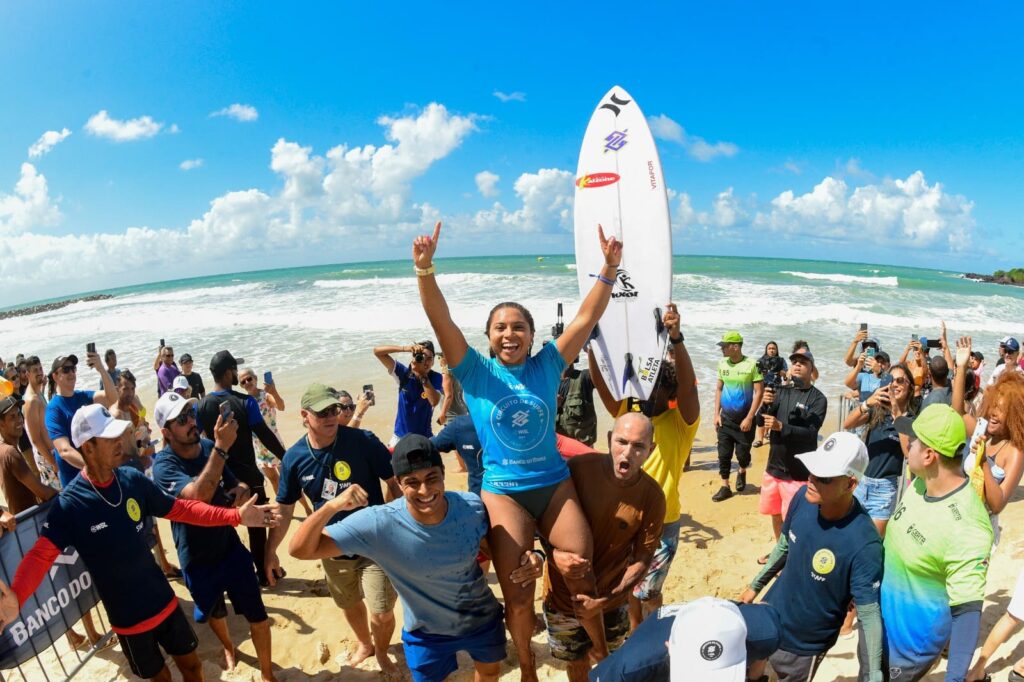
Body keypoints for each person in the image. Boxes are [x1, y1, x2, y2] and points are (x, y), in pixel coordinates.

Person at [414, 220, 620, 679]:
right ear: (489, 336)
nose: (510, 334)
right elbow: (440, 321)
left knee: (581, 569)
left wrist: (608, 269)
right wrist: (425, 271)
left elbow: (586, 319)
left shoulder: (549, 363)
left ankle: (601, 649)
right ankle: (527, 664)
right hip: (503, 491)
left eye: (519, 327)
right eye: (501, 328)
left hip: (553, 483)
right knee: (519, 592)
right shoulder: (474, 372)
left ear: (532, 333)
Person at [0, 403, 281, 682]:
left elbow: (183, 509)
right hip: (129, 620)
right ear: (88, 447)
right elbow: (39, 557)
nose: (120, 442)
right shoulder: (70, 505)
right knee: (160, 677)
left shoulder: (132, 480)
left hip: (164, 602)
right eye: (110, 438)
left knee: (193, 668)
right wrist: (18, 598)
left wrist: (234, 517)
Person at [289, 434, 545, 682]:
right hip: (426, 632)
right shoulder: (379, 524)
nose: (424, 490)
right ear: (399, 484)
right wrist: (332, 506)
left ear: (443, 476)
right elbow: (301, 550)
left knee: (490, 673)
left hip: (480, 619)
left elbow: (496, 549)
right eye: (412, 482)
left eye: (431, 478)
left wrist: (534, 557)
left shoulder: (470, 507)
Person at [266, 383, 402, 674]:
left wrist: (398, 521)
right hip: (330, 545)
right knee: (349, 602)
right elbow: (286, 509)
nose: (330, 416)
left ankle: (380, 650)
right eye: (322, 412)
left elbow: (394, 482)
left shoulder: (362, 441)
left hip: (374, 543)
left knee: (382, 610)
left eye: (334, 410)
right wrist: (271, 552)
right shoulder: (294, 458)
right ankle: (364, 643)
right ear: (304, 415)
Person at [151, 391, 276, 681]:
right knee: (214, 611)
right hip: (196, 555)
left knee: (258, 614)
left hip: (229, 546)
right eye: (181, 419)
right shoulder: (163, 466)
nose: (191, 422)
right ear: (166, 432)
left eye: (191, 414)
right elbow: (197, 499)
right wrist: (221, 448)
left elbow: (235, 483)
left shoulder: (207, 445)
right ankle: (229, 646)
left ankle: (269, 675)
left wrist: (241, 493)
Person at [589, 303, 700, 627]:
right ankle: (637, 634)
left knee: (647, 591)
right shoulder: (631, 415)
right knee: (627, 587)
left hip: (663, 521)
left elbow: (688, 385)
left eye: (658, 387)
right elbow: (603, 387)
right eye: (645, 386)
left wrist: (677, 340)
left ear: (671, 394)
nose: (648, 393)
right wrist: (593, 346)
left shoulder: (681, 422)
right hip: (624, 516)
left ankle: (648, 632)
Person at [740, 432, 884, 682]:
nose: (811, 479)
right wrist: (755, 587)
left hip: (803, 645)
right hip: (768, 617)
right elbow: (784, 547)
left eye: (824, 477)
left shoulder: (865, 544)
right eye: (812, 469)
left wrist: (873, 675)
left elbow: (869, 616)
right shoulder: (802, 498)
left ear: (850, 484)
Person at [870, 405, 993, 681]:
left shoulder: (969, 526)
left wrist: (954, 678)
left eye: (912, 441)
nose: (907, 446)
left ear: (929, 455)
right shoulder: (921, 482)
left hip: (907, 650)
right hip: (878, 628)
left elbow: (967, 613)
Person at [542, 413, 665, 681]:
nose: (628, 452)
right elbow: (541, 522)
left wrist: (606, 599)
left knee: (610, 663)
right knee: (575, 665)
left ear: (651, 450)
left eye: (639, 446)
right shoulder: (576, 469)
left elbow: (643, 560)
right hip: (563, 598)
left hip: (610, 601)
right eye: (621, 442)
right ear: (609, 439)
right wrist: (553, 556)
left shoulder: (652, 497)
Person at [196, 350, 286, 582]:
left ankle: (228, 575)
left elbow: (199, 442)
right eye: (235, 370)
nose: (237, 373)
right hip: (247, 476)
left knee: (222, 525)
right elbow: (264, 433)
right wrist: (286, 457)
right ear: (228, 373)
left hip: (218, 477)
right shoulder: (246, 402)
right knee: (257, 526)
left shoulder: (201, 406)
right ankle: (263, 573)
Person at [589, 596, 782, 682]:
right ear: (669, 648)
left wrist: (754, 678)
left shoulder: (766, 634)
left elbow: (764, 650)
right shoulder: (629, 668)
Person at [756, 349, 827, 542]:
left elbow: (811, 434)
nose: (797, 364)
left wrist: (782, 427)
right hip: (773, 469)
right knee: (775, 514)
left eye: (803, 362)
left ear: (812, 368)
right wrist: (764, 404)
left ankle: (792, 555)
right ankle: (779, 554)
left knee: (795, 520)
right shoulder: (780, 391)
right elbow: (760, 422)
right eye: (794, 361)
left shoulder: (818, 399)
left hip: (798, 473)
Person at [842, 362, 916, 535]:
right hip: (859, 481)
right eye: (892, 380)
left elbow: (908, 454)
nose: (896, 384)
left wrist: (897, 413)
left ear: (910, 388)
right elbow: (848, 424)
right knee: (849, 533)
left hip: (884, 489)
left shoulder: (911, 419)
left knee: (872, 540)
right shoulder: (878, 409)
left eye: (901, 381)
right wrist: (867, 402)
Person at [45, 351, 119, 487]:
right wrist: (94, 468)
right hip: (75, 481)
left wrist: (101, 369)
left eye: (73, 369)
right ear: (55, 376)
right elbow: (64, 451)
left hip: (96, 475)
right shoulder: (53, 409)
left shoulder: (83, 396)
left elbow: (113, 399)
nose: (71, 373)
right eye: (66, 370)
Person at [713, 331, 764, 502]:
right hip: (726, 419)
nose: (722, 349)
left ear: (735, 347)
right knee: (723, 453)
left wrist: (750, 417)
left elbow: (759, 393)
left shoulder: (752, 365)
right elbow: (719, 389)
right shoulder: (722, 364)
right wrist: (716, 415)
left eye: (724, 346)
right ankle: (725, 485)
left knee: (743, 455)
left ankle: (742, 471)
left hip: (745, 421)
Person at [238, 367, 291, 506]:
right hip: (259, 447)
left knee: (287, 477)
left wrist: (273, 391)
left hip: (274, 443)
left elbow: (281, 406)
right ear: (241, 386)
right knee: (273, 479)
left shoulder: (265, 396)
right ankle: (283, 505)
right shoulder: (243, 402)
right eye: (243, 381)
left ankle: (305, 507)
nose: (247, 382)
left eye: (249, 378)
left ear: (255, 379)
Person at [373, 340, 443, 443]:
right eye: (422, 357)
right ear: (414, 358)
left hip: (424, 437)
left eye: (429, 358)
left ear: (433, 361)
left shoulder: (436, 377)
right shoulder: (404, 374)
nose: (425, 362)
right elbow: (377, 352)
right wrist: (405, 348)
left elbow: (434, 401)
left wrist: (422, 375)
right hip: (400, 437)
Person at [0, 395, 57, 513]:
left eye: (19, 414)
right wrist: (67, 494)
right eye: (12, 417)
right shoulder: (10, 453)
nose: (19, 420)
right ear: (1, 424)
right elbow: (43, 493)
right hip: (27, 523)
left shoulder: (3, 449)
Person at [22, 355, 59, 490]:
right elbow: (36, 439)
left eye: (40, 368)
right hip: (46, 458)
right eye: (35, 370)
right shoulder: (31, 401)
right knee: (57, 495)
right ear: (27, 374)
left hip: (50, 454)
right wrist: (53, 462)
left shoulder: (38, 394)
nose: (39, 372)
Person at [432, 413, 485, 496]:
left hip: (479, 495)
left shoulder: (460, 425)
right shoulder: (511, 419)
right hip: (507, 492)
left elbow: (428, 446)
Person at [752, 341, 787, 448]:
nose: (771, 350)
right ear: (766, 350)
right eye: (769, 348)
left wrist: (783, 374)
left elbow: (786, 377)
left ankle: (767, 433)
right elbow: (754, 377)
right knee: (761, 413)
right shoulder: (760, 361)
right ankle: (759, 439)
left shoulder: (781, 361)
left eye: (774, 348)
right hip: (764, 389)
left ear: (777, 350)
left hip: (777, 389)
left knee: (772, 412)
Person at [555, 362, 598, 447]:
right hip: (558, 452)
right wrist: (551, 404)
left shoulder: (585, 377)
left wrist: (590, 351)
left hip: (583, 453)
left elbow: (604, 375)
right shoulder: (547, 383)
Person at [437, 353, 468, 426]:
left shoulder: (446, 374)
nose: (439, 361)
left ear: (445, 359)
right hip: (462, 412)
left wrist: (442, 414)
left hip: (452, 417)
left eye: (440, 358)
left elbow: (449, 396)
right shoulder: (458, 372)